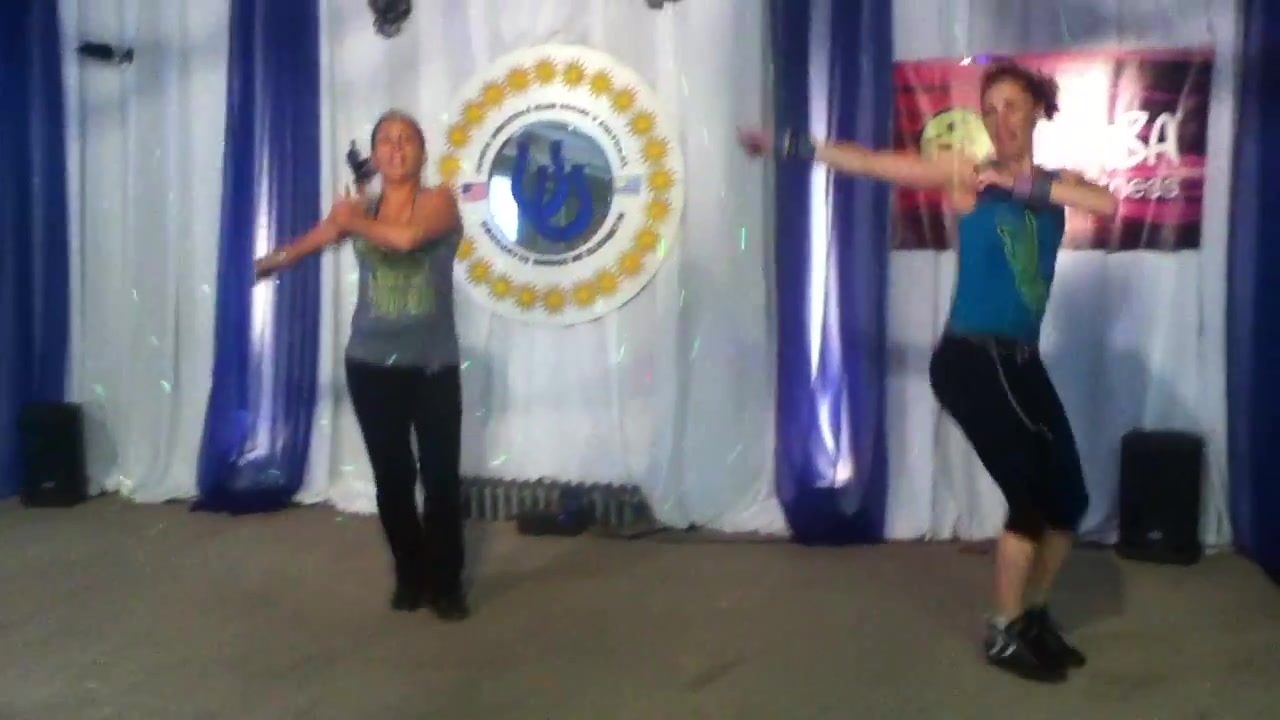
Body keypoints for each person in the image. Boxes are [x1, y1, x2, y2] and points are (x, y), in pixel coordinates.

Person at [738, 60, 1118, 682]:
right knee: (1029, 501)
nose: (1000, 119)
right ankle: (1003, 631)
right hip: (971, 360)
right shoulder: (967, 175)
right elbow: (873, 163)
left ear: (1036, 110)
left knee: (1069, 500)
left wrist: (1020, 184)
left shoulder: (1053, 183)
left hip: (1021, 363)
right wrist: (793, 145)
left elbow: (1104, 202)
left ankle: (1032, 615)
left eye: (1011, 106)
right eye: (989, 110)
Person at [255, 109, 469, 621]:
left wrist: (350, 220)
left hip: (433, 367)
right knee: (393, 479)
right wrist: (261, 264)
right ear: (375, 155)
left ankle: (447, 585)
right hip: (371, 365)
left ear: (422, 152)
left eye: (406, 139)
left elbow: (408, 239)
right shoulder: (362, 209)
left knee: (440, 479)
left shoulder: (439, 201)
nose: (396, 147)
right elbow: (305, 244)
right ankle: (411, 576)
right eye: (386, 140)